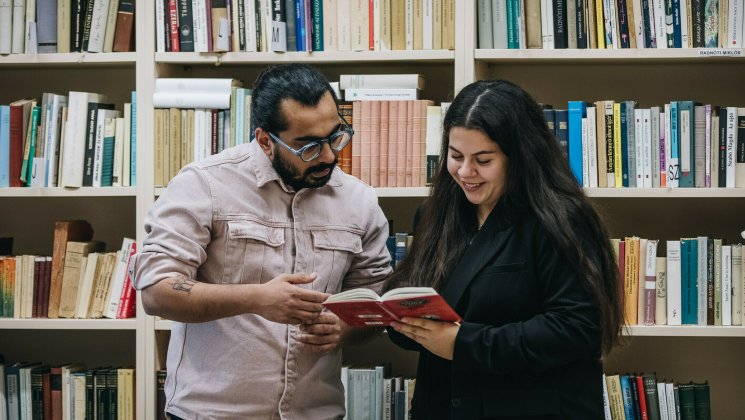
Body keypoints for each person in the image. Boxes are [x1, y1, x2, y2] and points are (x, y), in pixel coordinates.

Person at [131, 63, 392, 419]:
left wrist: (345, 328)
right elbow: (156, 292)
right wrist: (257, 299)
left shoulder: (359, 201)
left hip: (317, 412)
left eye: (335, 136)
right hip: (212, 413)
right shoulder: (204, 185)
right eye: (309, 147)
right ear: (266, 140)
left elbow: (373, 302)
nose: (329, 156)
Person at [385, 79, 624, 419]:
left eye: (483, 159)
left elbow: (577, 328)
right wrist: (399, 317)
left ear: (520, 156)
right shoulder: (435, 214)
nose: (466, 172)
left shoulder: (559, 219)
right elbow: (422, 295)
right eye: (456, 156)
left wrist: (462, 344)